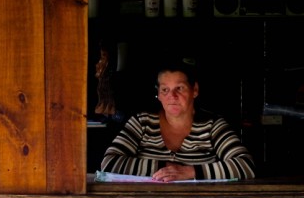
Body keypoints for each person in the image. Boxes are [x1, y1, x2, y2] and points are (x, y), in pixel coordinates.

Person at [100, 56, 256, 182]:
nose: (172, 96)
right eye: (165, 90)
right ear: (159, 95)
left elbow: (245, 166)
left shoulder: (212, 126)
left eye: (179, 88)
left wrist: (189, 172)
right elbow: (109, 163)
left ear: (194, 90)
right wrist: (167, 168)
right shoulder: (142, 123)